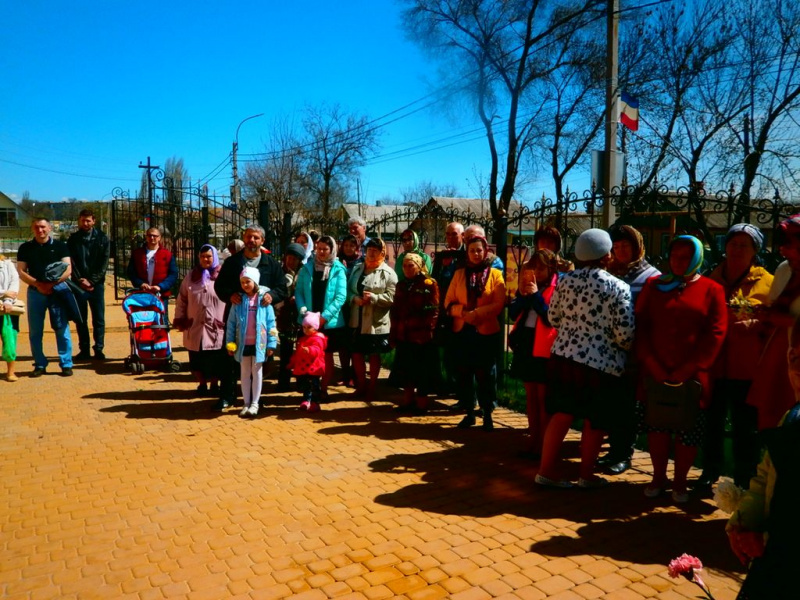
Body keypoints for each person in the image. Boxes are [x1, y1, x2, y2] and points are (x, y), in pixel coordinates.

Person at [535, 229, 634, 489]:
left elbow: (553, 318)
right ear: (606, 254)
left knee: (561, 415)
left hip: (564, 359)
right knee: (595, 420)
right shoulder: (618, 286)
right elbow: (624, 333)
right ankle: (586, 476)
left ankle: (545, 472)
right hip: (601, 366)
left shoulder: (565, 280)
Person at [635, 235, 728, 503]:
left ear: (697, 259)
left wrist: (688, 369)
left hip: (692, 377)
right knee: (658, 427)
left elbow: (716, 333)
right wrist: (653, 364)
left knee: (688, 432)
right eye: (674, 255)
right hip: (655, 373)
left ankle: (679, 483)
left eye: (685, 257)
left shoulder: (712, 289)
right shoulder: (655, 286)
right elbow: (641, 326)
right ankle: (658, 477)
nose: (678, 261)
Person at [697, 224, 772, 490]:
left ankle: (744, 479)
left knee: (745, 429)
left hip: (747, 368)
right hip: (714, 366)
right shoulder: (710, 279)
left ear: (755, 251)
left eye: (745, 245)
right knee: (711, 423)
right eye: (733, 244)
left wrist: (756, 324)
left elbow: (776, 322)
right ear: (724, 247)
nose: (737, 249)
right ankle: (709, 472)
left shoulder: (768, 282)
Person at [597, 225, 662, 475]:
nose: (621, 250)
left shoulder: (651, 276)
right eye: (617, 246)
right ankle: (613, 449)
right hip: (607, 351)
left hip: (633, 351)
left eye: (626, 246)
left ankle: (624, 453)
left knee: (627, 405)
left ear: (637, 247)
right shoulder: (609, 272)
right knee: (611, 404)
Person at [214, 225, 287, 411]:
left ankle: (257, 398)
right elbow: (220, 286)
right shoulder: (232, 263)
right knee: (231, 358)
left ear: (262, 241)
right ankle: (228, 396)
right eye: (248, 237)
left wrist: (273, 296)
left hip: (261, 322)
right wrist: (230, 295)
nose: (251, 241)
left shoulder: (271, 264)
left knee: (260, 362)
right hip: (237, 319)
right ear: (244, 239)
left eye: (256, 237)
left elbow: (282, 289)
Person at [443, 235, 506, 430]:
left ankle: (487, 414)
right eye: (472, 251)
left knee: (485, 374)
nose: (476, 254)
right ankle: (469, 413)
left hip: (485, 332)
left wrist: (476, 314)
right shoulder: (459, 274)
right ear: (467, 253)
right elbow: (448, 302)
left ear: (485, 251)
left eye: (479, 250)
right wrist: (462, 313)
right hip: (463, 330)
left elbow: (498, 304)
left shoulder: (495, 275)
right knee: (464, 373)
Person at [747, 214, 800, 431]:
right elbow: (775, 304)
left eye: (788, 245)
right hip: (779, 355)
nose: (782, 251)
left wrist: (777, 318)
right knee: (772, 420)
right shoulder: (784, 269)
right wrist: (765, 312)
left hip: (797, 355)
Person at [508, 249, 559, 458]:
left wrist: (536, 295)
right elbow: (512, 314)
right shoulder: (527, 285)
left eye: (541, 268)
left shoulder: (558, 286)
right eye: (534, 268)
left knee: (543, 398)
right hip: (527, 342)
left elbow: (550, 318)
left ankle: (544, 443)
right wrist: (522, 295)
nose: (536, 272)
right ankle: (533, 439)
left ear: (551, 268)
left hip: (545, 346)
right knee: (530, 396)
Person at [17, 218, 75, 377]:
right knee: (35, 330)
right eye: (36, 227)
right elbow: (21, 271)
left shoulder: (60, 246)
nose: (40, 230)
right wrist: (39, 285)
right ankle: (40, 364)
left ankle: (66, 363)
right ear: (32, 229)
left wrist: (50, 285)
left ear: (49, 228)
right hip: (36, 293)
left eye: (42, 227)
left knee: (61, 327)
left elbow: (68, 269)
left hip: (57, 293)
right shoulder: (26, 248)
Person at [294, 235, 348, 399]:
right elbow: (299, 291)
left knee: (326, 356)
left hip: (328, 322)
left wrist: (323, 318)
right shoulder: (307, 268)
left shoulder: (338, 269)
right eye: (319, 249)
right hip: (308, 321)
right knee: (307, 354)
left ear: (332, 250)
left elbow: (340, 296)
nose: (322, 252)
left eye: (326, 249)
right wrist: (304, 311)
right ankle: (309, 389)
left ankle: (323, 388)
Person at [173, 244, 227, 397]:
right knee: (197, 358)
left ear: (215, 257)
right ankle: (202, 384)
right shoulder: (191, 276)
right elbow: (182, 299)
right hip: (195, 325)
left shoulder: (222, 275)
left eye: (209, 256)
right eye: (202, 256)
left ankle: (215, 384)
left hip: (216, 325)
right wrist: (180, 318)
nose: (205, 259)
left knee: (215, 358)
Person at [389, 253, 440, 414]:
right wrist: (394, 332)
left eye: (411, 265)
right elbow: (396, 309)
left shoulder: (429, 284)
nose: (407, 269)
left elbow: (434, 311)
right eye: (404, 266)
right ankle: (408, 401)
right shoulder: (402, 285)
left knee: (422, 371)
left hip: (421, 336)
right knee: (406, 369)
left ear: (419, 266)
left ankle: (422, 404)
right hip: (404, 335)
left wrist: (426, 331)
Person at [348, 237, 397, 401]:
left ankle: (372, 386)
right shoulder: (358, 268)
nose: (371, 252)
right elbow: (348, 290)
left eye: (375, 250)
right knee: (356, 353)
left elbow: (392, 298)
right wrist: (355, 299)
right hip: (357, 318)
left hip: (375, 321)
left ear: (382, 252)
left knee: (374, 354)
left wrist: (375, 298)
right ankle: (361, 384)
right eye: (369, 249)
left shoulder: (388, 273)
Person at [225, 267, 277, 418]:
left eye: (248, 281)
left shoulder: (264, 300)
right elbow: (231, 324)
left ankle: (255, 403)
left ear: (255, 282)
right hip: (242, 344)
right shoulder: (238, 301)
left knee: (257, 372)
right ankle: (246, 403)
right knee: (245, 373)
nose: (245, 285)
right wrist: (229, 342)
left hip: (259, 344)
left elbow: (271, 323)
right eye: (242, 282)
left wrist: (271, 343)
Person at [68, 209, 110, 361]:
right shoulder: (73, 239)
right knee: (81, 319)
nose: (85, 223)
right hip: (78, 284)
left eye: (88, 221)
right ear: (79, 220)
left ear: (94, 221)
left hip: (97, 285)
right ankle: (84, 350)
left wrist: (92, 281)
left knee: (98, 318)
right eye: (82, 220)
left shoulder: (102, 238)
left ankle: (98, 349)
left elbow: (104, 263)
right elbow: (71, 262)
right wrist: (80, 280)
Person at [126, 226, 179, 321]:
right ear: (146, 237)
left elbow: (173, 274)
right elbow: (131, 272)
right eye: (149, 235)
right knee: (144, 320)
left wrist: (161, 286)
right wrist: (140, 283)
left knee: (162, 320)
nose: (152, 238)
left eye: (155, 236)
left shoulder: (167, 254)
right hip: (142, 294)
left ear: (159, 238)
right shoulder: (137, 254)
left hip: (161, 295)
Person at [275, 242, 306, 392]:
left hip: (301, 317)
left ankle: (301, 382)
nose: (291, 261)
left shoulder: (305, 272)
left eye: (295, 258)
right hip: (284, 316)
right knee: (285, 351)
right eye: (289, 257)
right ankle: (283, 381)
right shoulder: (279, 272)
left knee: (301, 351)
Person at [289, 311, 327, 413]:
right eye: (304, 327)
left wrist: (310, 350)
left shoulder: (318, 338)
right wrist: (293, 362)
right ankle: (306, 400)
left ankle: (315, 402)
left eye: (309, 327)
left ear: (315, 327)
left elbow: (317, 350)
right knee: (306, 385)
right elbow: (298, 352)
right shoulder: (302, 339)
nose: (305, 330)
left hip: (314, 367)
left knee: (314, 385)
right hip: (304, 367)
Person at [337, 234, 362, 387]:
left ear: (357, 248)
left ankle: (355, 375)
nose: (348, 248)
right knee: (342, 343)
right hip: (340, 306)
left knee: (354, 342)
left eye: (351, 246)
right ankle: (344, 374)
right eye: (345, 245)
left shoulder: (361, 263)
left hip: (354, 305)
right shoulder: (337, 260)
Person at [0, 254, 20, 381]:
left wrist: (7, 300)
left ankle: (10, 372)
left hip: (8, 307)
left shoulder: (8, 265)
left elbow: (14, 284)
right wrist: (3, 292)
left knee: (10, 339)